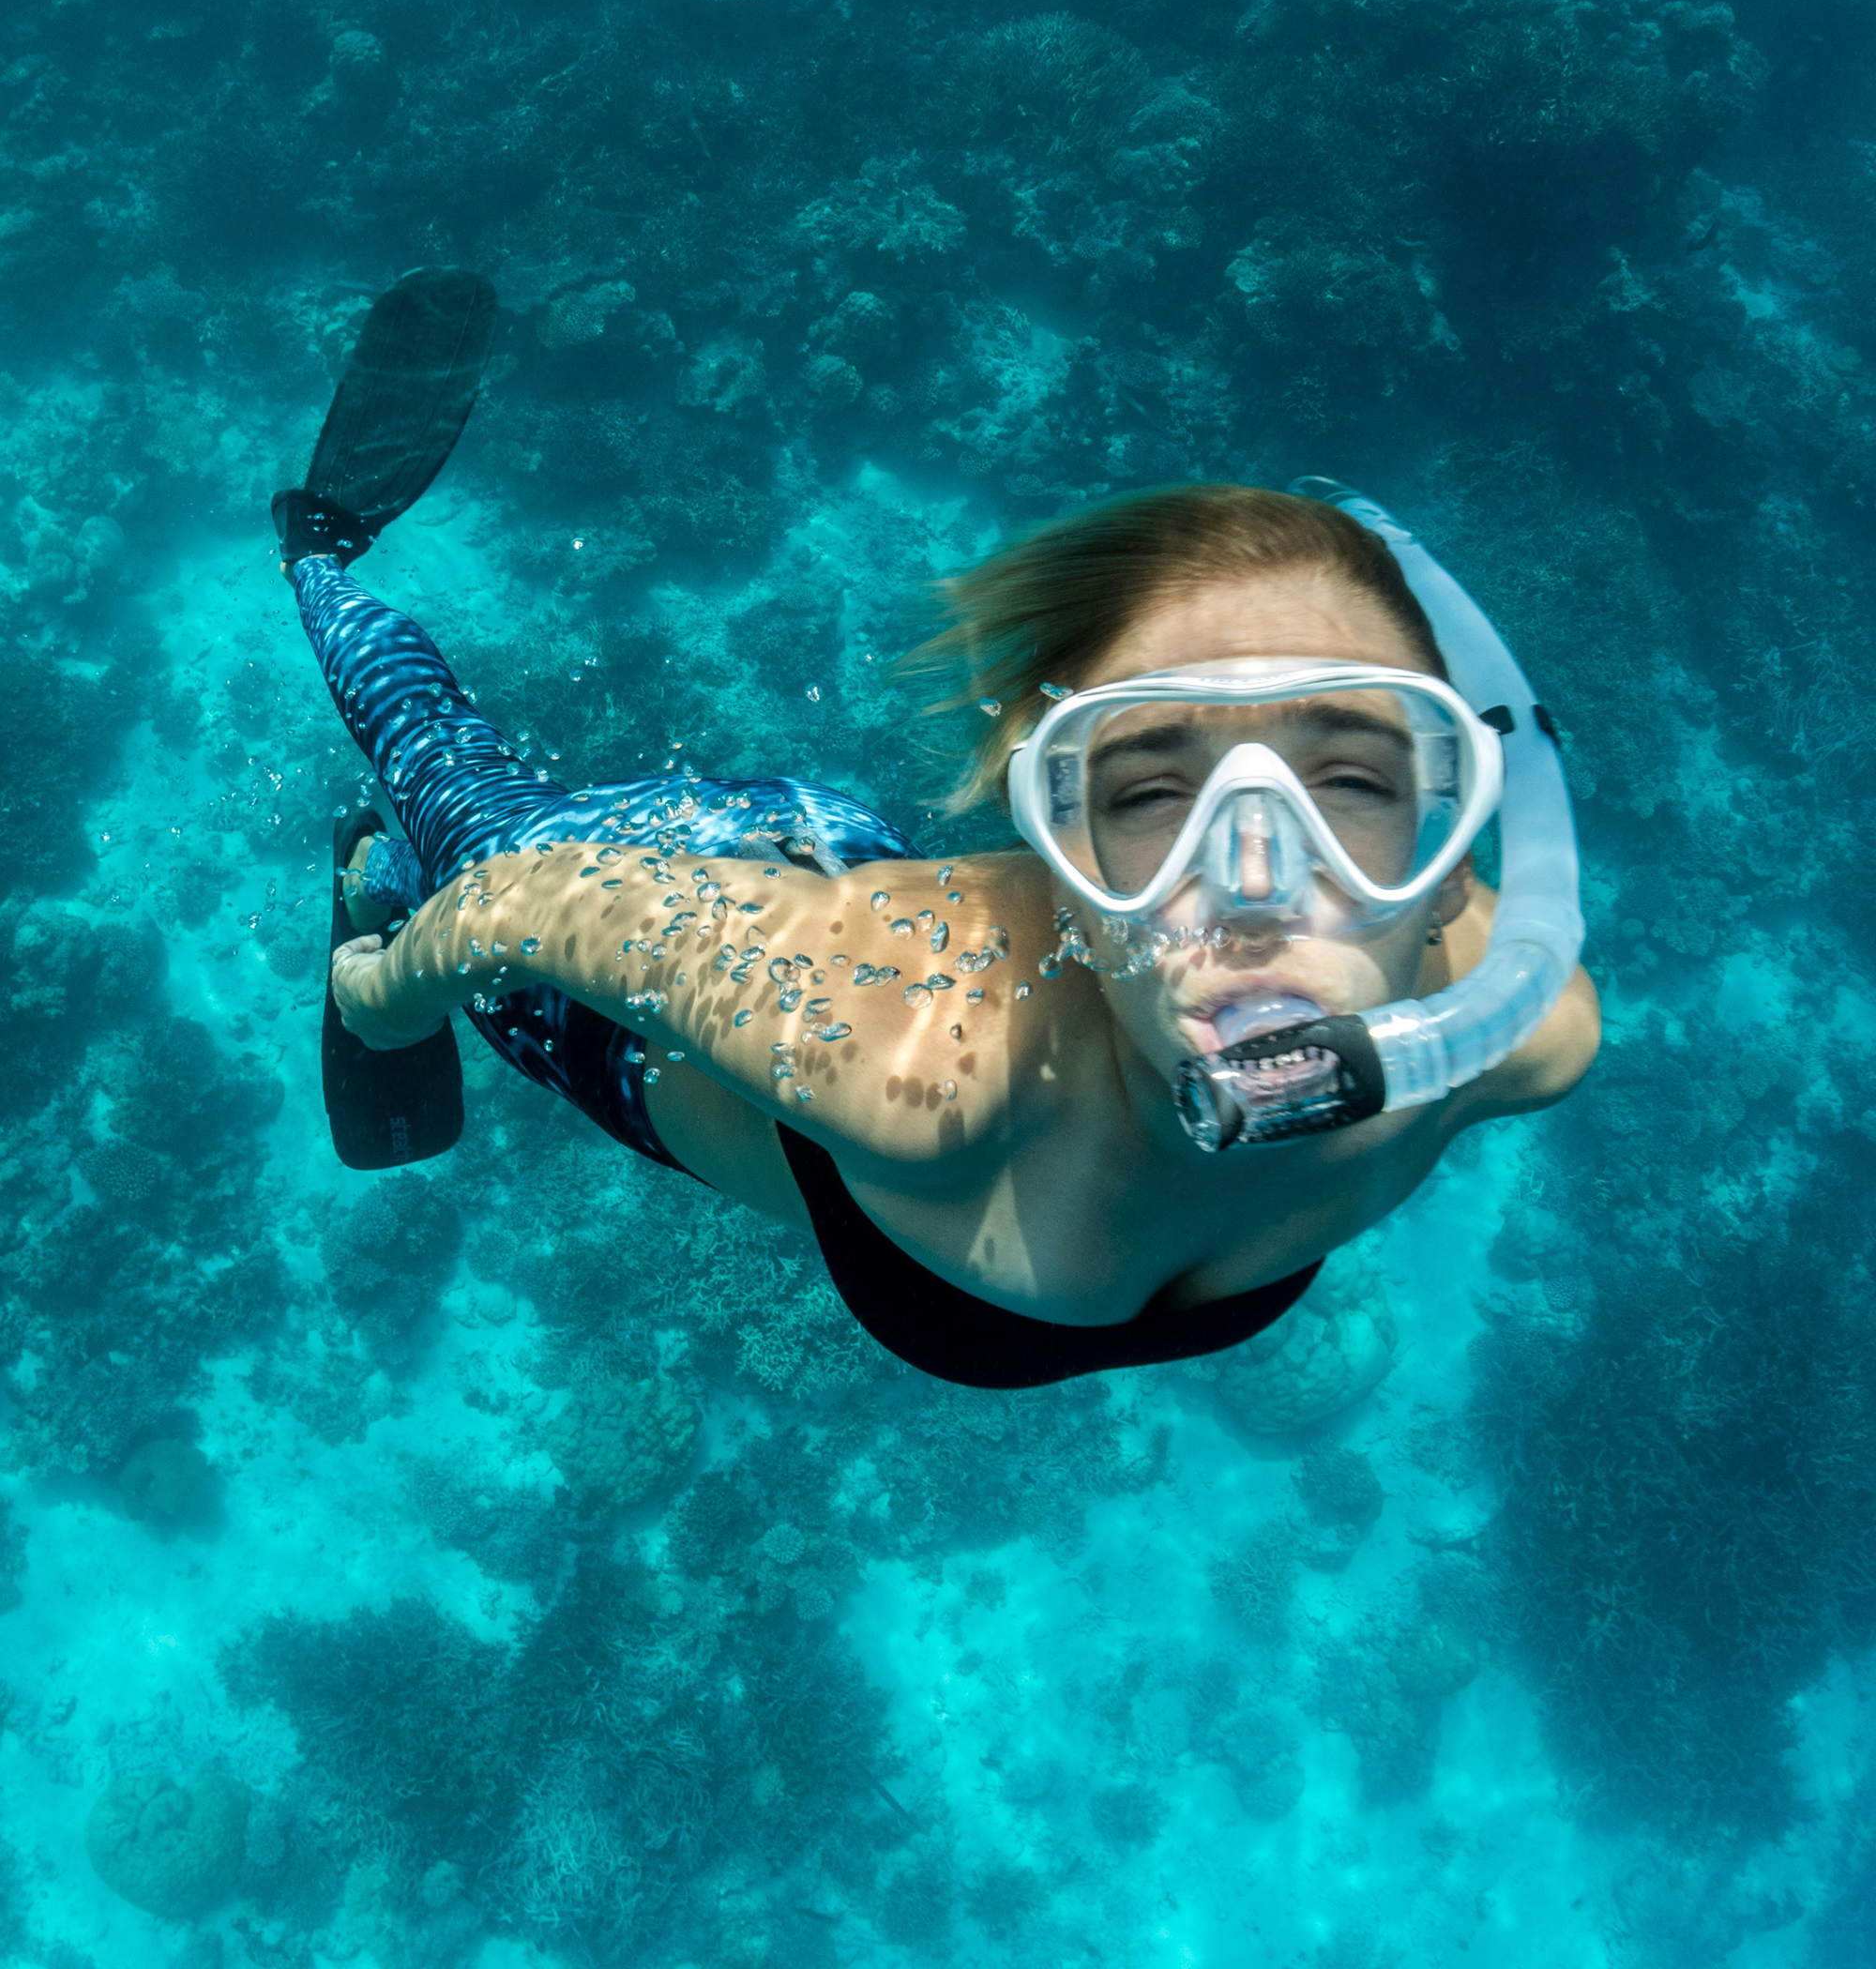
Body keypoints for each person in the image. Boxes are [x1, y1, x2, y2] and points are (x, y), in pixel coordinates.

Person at [281, 274, 1599, 1391]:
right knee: (462, 811)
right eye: (1150, 793)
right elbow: (525, 904)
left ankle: (381, 867)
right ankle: (320, 560)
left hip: (838, 870)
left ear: (1453, 867)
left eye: (1350, 782)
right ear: (1058, 859)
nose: (1257, 882)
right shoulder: (918, 1061)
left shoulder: (1516, 1030)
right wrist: (381, 1001)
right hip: (679, 949)